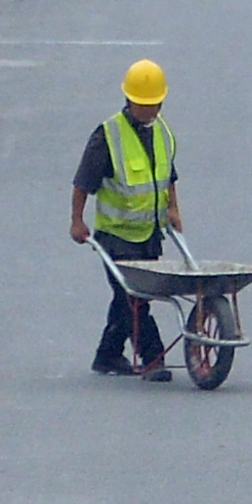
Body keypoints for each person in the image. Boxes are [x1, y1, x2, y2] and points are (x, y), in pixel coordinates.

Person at [71, 60, 182, 381]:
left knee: (128, 298)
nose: (149, 110)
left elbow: (168, 175)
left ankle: (106, 356)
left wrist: (174, 209)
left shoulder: (162, 132)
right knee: (134, 297)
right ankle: (153, 359)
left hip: (149, 234)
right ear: (128, 99)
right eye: (142, 104)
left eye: (154, 104)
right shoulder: (108, 136)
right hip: (116, 236)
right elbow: (83, 182)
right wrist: (77, 221)